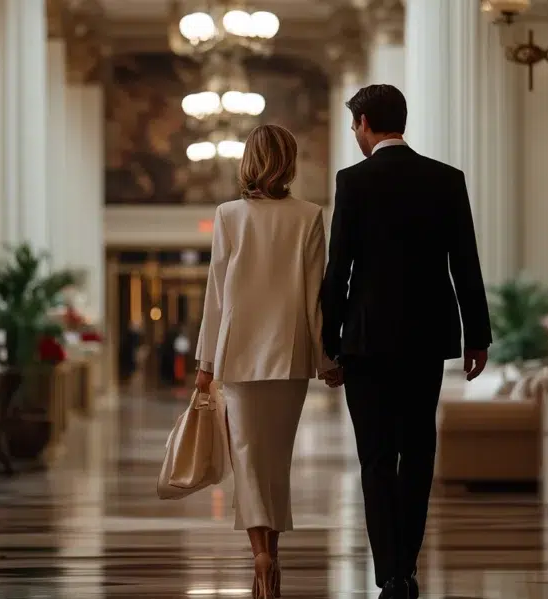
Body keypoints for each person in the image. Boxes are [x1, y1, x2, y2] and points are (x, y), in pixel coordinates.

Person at [321, 84, 492, 599]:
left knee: (375, 458)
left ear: (367, 122)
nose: (355, 135)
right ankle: (408, 568)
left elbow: (339, 271)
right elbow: (465, 262)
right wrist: (476, 335)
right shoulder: (445, 179)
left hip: (366, 343)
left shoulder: (353, 182)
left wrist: (329, 343)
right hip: (425, 340)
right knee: (417, 454)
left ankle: (388, 571)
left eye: (355, 125)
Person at [194, 124, 338, 599]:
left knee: (248, 460)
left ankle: (260, 553)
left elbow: (216, 294)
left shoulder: (228, 215)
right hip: (290, 356)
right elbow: (318, 295)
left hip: (237, 356)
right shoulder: (309, 215)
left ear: (249, 162)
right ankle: (270, 550)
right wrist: (326, 357)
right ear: (290, 162)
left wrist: (204, 362)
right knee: (276, 461)